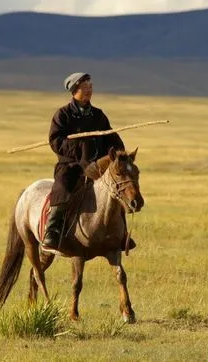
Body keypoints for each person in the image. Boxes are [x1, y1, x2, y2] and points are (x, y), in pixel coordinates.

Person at [42, 72, 136, 251]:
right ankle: (52, 232)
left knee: (116, 190)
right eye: (85, 88)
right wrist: (80, 146)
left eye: (91, 87)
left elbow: (111, 137)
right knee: (62, 188)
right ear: (74, 91)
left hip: (97, 166)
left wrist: (119, 153)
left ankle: (121, 235)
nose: (89, 91)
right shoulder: (63, 114)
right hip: (71, 165)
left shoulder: (98, 115)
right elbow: (55, 141)